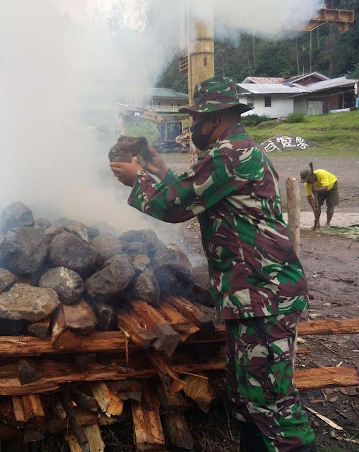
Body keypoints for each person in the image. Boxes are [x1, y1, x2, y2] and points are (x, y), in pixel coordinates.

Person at [111, 76, 316, 452]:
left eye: (196, 121)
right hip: (253, 296)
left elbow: (175, 207)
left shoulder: (229, 154)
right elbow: (196, 193)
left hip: (264, 296)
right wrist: (158, 170)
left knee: (272, 404)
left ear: (216, 119)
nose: (192, 128)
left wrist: (136, 177)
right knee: (248, 399)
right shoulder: (235, 151)